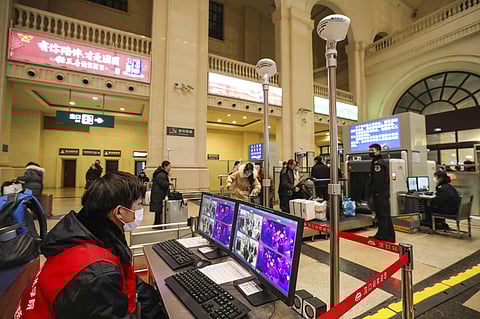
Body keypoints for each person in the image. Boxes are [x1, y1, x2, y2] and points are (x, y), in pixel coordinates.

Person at [17, 172, 165, 318]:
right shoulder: (98, 273)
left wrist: (157, 301)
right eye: (139, 205)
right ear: (119, 212)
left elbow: (125, 278)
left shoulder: (85, 234)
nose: (140, 210)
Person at [368, 144, 396, 242]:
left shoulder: (378, 164)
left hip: (380, 194)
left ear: (379, 151)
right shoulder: (378, 162)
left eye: (373, 150)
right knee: (385, 215)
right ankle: (390, 236)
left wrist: (375, 193)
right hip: (382, 194)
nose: (370, 152)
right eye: (370, 150)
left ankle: (382, 236)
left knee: (382, 215)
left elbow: (378, 181)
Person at [150, 161, 171, 225]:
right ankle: (157, 224)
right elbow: (162, 184)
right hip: (158, 195)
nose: (170, 168)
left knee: (158, 212)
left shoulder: (161, 173)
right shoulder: (161, 174)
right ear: (165, 166)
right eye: (169, 166)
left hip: (157, 195)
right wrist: (169, 183)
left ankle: (158, 224)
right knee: (159, 211)